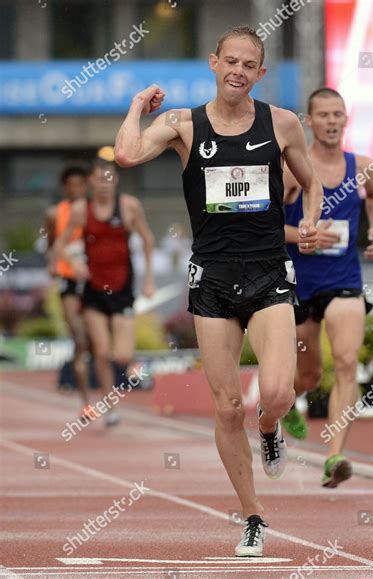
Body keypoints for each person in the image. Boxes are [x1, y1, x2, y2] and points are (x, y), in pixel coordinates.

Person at [114, 26, 336, 557]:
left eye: (248, 65)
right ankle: (253, 515)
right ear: (214, 63)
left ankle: (272, 428)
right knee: (227, 405)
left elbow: (313, 182)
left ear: (260, 73)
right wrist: (135, 106)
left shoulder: (281, 123)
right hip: (211, 276)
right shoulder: (182, 124)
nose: (237, 71)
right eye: (229, 61)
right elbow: (125, 155)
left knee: (277, 392)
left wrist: (308, 221)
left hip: (268, 272)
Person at [283, 87, 373, 487]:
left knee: (346, 363)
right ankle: (287, 400)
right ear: (309, 121)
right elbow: (266, 226)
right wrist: (301, 235)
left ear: (345, 120)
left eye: (337, 114)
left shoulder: (361, 166)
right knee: (308, 376)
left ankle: (335, 455)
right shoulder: (293, 169)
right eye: (322, 115)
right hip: (300, 284)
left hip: (345, 281)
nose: (330, 121)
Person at [51, 158, 155, 426]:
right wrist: (74, 264)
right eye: (100, 179)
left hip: (122, 287)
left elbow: (147, 238)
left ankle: (130, 369)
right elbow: (60, 245)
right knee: (101, 352)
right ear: (92, 182)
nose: (105, 184)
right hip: (94, 288)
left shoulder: (129, 206)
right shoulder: (80, 210)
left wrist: (149, 280)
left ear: (116, 180)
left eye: (110, 178)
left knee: (122, 354)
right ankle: (110, 407)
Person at [45, 164, 93, 421]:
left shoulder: (95, 210)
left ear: (86, 185)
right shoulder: (55, 213)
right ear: (65, 187)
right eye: (70, 185)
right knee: (79, 336)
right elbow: (51, 244)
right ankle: (85, 401)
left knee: (95, 340)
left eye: (80, 184)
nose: (75, 189)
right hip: (68, 279)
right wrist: (52, 264)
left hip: (94, 279)